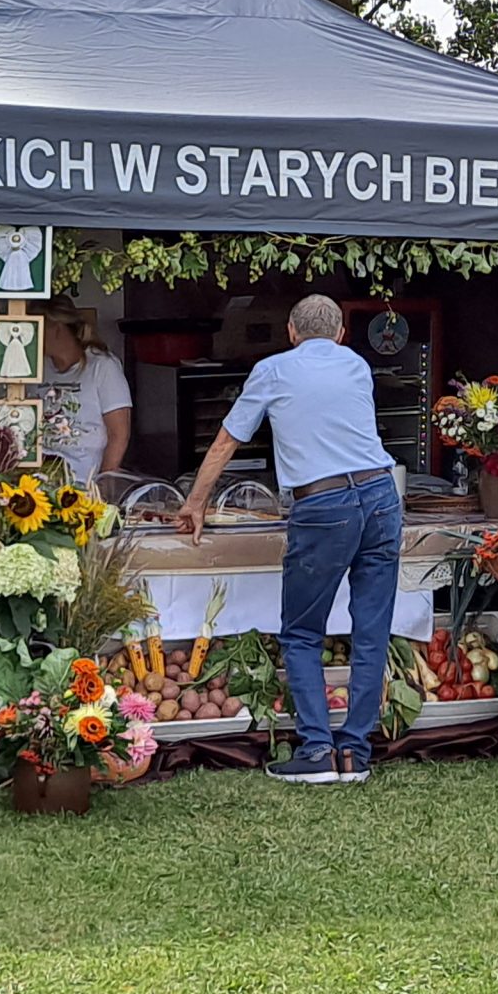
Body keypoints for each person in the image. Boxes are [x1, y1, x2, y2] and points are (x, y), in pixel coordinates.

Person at [177, 295, 400, 785]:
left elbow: (226, 440)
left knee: (302, 633)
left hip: (324, 505)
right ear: (341, 334)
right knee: (371, 629)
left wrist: (195, 503)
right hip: (382, 495)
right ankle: (355, 752)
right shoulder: (357, 365)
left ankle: (318, 749)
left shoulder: (273, 370)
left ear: (291, 332)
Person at [38, 300, 133, 481]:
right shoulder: (38, 367)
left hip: (84, 479)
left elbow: (119, 434)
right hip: (39, 478)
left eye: (35, 328)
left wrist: (103, 483)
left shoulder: (103, 366)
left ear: (56, 329)